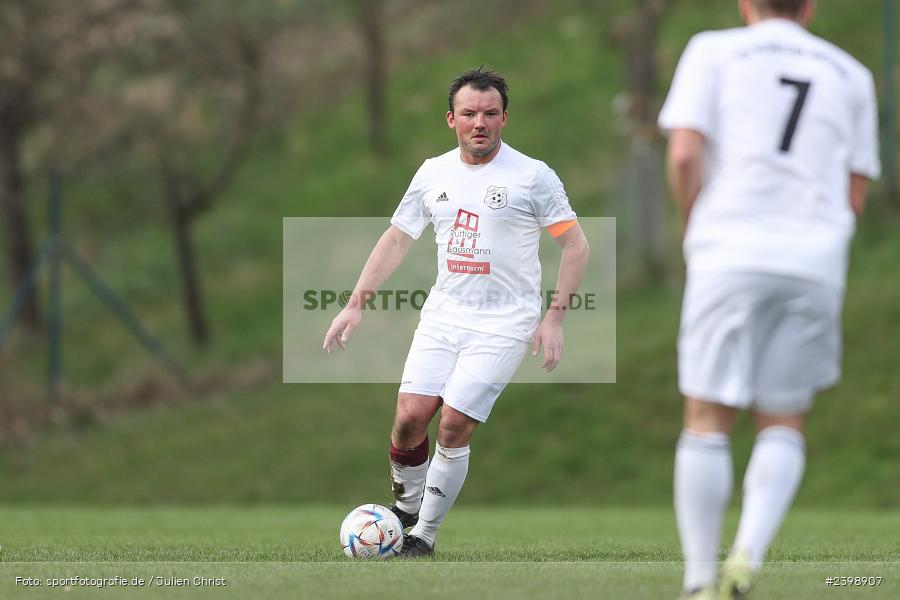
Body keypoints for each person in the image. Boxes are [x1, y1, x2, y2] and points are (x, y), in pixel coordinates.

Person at [658, 1, 880, 598]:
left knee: (707, 416)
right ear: (811, 6)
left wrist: (693, 227)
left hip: (730, 247)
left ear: (746, 2)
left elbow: (683, 153)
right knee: (783, 417)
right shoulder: (852, 73)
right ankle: (747, 558)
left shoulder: (712, 49)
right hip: (814, 260)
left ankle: (700, 581)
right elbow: (854, 191)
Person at [323, 67, 590, 557]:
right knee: (409, 418)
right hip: (444, 316)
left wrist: (554, 317)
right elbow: (398, 238)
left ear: (505, 118)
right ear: (452, 119)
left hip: (506, 322)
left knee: (452, 425)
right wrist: (354, 304)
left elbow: (575, 247)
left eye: (490, 113)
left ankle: (422, 537)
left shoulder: (532, 176)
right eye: (469, 114)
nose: (480, 123)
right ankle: (405, 509)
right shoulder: (433, 173)